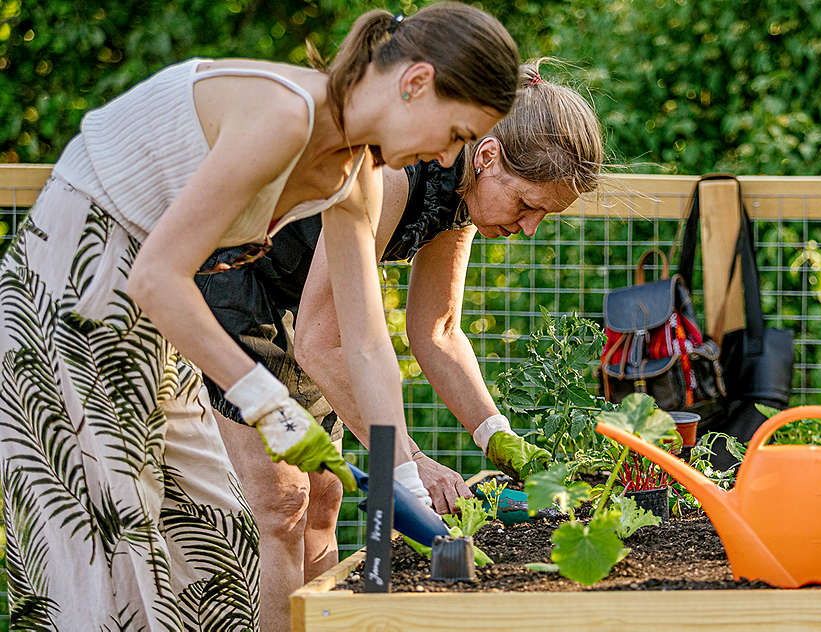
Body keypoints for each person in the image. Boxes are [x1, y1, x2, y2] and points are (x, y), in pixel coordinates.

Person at [0, 4, 518, 630]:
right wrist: (270, 405)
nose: (446, 158)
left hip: (163, 317)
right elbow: (154, 276)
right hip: (75, 288)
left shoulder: (359, 173)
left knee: (219, 550)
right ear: (415, 85)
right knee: (108, 547)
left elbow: (366, 342)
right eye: (458, 133)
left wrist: (398, 477)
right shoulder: (285, 115)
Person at [197, 60, 602, 628]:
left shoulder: (459, 192)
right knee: (284, 504)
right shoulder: (397, 174)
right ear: (487, 158)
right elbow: (324, 344)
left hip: (302, 301)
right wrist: (411, 463)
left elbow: (436, 330)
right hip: (239, 276)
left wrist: (500, 438)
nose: (529, 227)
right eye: (528, 205)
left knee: (323, 500)